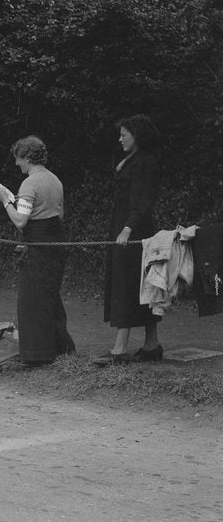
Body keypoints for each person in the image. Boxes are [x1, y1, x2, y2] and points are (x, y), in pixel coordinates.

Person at [0, 136, 75, 365]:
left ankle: (37, 354)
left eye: (18, 158)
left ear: (28, 158)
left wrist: (6, 201)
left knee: (31, 300)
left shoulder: (30, 184)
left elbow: (20, 221)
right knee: (50, 295)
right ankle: (61, 347)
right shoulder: (55, 180)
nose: (16, 163)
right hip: (56, 242)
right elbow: (59, 215)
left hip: (38, 245)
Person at [96, 114, 162, 365]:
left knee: (128, 283)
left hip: (134, 230)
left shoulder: (147, 162)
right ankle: (152, 344)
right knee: (139, 282)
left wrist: (128, 228)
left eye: (125, 135)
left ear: (138, 136)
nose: (120, 139)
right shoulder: (135, 159)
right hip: (126, 225)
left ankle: (120, 349)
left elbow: (143, 200)